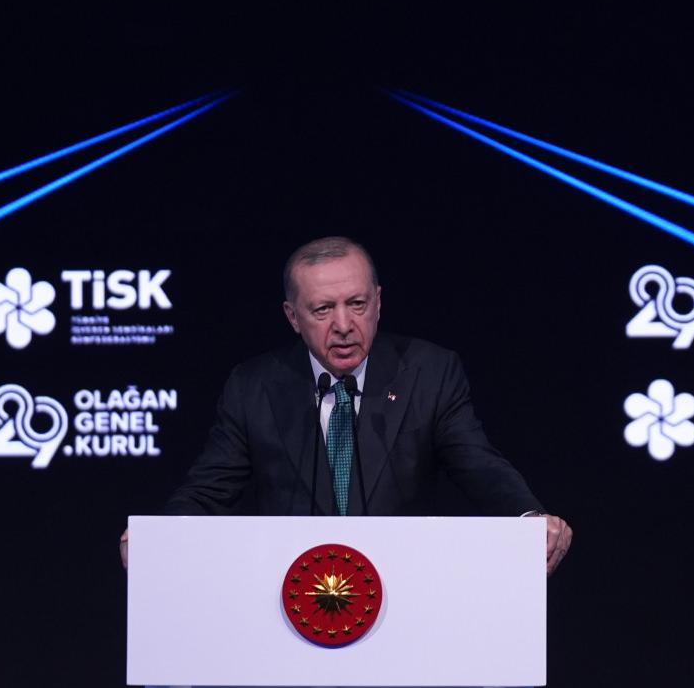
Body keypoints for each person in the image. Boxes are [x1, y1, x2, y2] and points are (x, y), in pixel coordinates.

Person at [120, 237, 572, 574]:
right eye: (322, 310)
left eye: (357, 304)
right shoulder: (254, 386)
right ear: (292, 317)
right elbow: (209, 490)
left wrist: (529, 517)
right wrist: (158, 538)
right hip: (290, 597)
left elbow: (478, 464)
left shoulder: (429, 373)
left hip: (403, 589)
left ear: (378, 303)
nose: (343, 324)